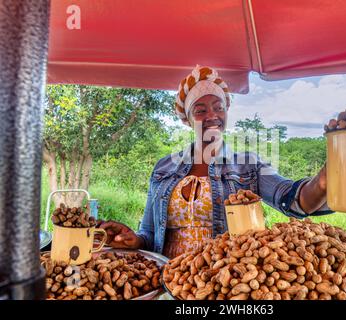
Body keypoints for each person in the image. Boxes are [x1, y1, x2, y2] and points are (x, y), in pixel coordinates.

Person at [99, 65, 332, 258]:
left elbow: (295, 201)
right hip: (171, 281)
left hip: (224, 282)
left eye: (218, 108)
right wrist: (134, 240)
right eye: (200, 110)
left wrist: (331, 169)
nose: (212, 116)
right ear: (188, 120)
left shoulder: (248, 166)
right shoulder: (164, 168)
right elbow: (149, 234)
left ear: (226, 112)